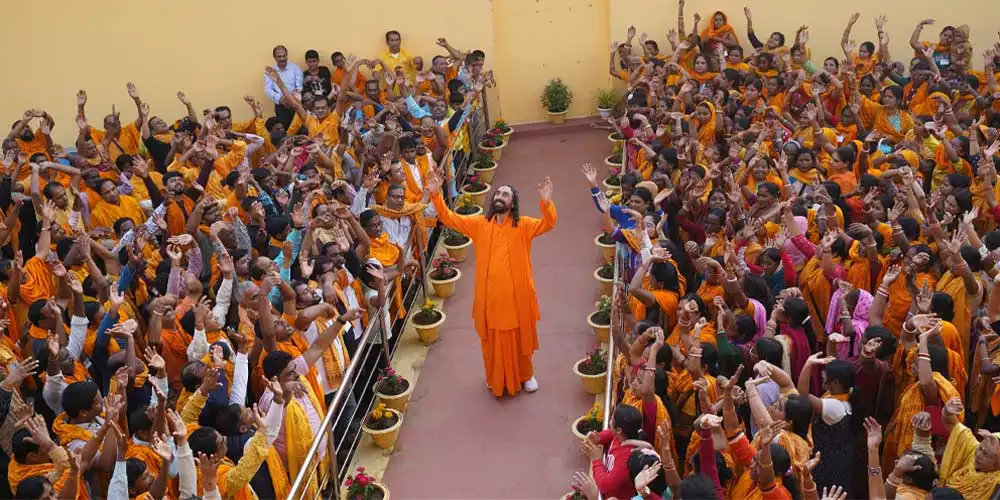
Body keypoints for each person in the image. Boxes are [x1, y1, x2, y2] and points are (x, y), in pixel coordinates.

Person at [425, 168, 556, 397]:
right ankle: (495, 377)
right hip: (490, 300)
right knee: (492, 343)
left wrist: (546, 202)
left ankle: (526, 375)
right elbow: (449, 218)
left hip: (518, 298)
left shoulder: (524, 225)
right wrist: (436, 195)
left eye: (505, 194)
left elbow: (549, 223)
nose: (498, 197)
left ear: (513, 202)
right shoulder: (480, 225)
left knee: (519, 339)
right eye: (497, 194)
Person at [264, 45, 303, 129]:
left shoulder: (295, 68)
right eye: (279, 56)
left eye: (284, 55)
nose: (282, 58)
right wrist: (281, 99)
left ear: (287, 55)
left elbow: (299, 86)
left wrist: (292, 99)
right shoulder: (270, 71)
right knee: (283, 129)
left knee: (298, 128)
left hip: (295, 103)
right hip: (280, 105)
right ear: (274, 57)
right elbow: (268, 89)